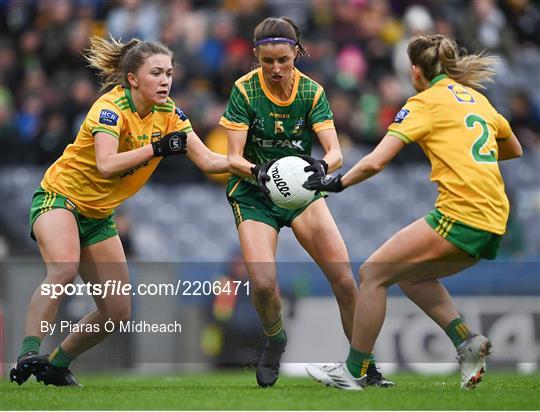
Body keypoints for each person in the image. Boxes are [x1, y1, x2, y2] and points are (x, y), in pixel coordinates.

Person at [304, 34, 523, 390]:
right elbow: (513, 148)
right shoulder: (477, 99)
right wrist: (463, 151)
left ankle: (354, 371)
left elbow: (375, 161)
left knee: (373, 273)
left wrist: (336, 183)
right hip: (495, 218)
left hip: (463, 212)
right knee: (410, 276)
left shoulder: (424, 103)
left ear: (416, 71)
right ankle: (467, 341)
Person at [10, 36, 228, 387]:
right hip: (59, 198)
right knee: (63, 269)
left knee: (117, 312)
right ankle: (28, 352)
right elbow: (107, 164)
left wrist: (256, 169)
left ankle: (56, 364)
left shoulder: (170, 114)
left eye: (169, 73)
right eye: (156, 73)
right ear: (132, 78)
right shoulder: (109, 108)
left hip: (98, 216)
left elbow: (208, 160)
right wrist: (157, 147)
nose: (165, 81)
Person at [220, 17, 392, 388]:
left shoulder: (311, 92)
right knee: (263, 284)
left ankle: (366, 366)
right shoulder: (244, 91)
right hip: (254, 193)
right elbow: (232, 158)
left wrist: (320, 166)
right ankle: (275, 338)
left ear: (296, 53)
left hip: (301, 194)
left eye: (284, 59)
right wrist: (259, 172)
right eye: (268, 62)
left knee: (345, 282)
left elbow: (335, 153)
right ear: (256, 56)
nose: (277, 69)